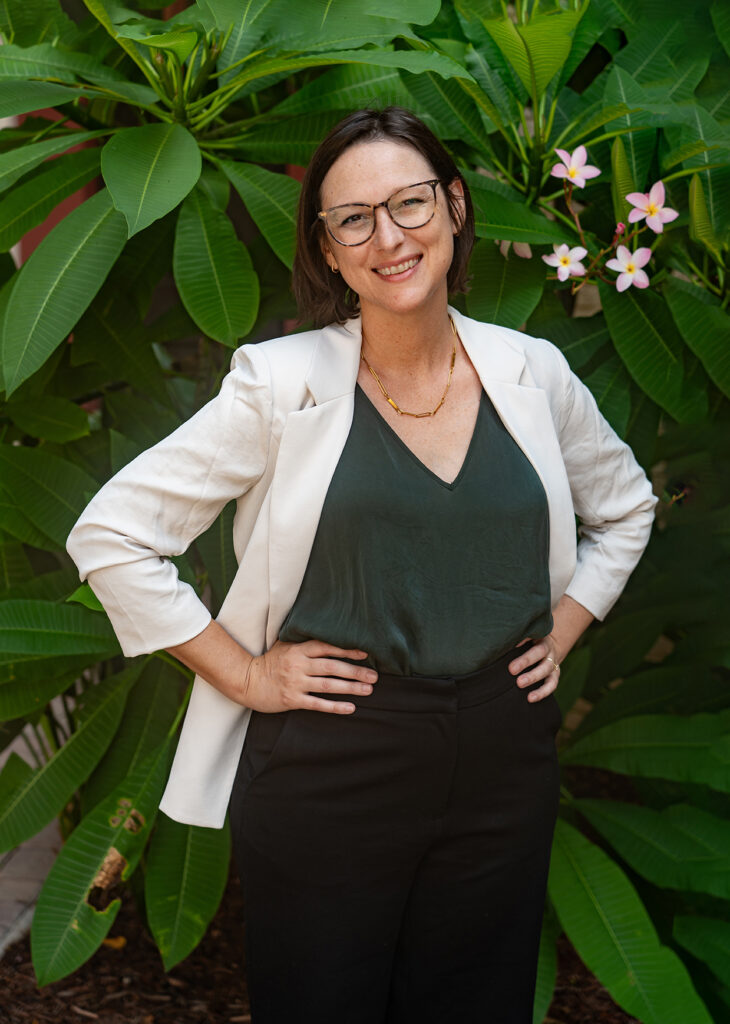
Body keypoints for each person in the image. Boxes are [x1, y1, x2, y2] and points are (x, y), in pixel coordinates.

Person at [67, 107, 657, 1024]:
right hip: (332, 756)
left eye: (410, 203)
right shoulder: (278, 384)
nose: (389, 237)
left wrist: (570, 622)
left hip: (505, 750)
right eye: (353, 219)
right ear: (329, 251)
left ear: (455, 208)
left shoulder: (533, 372)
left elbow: (626, 507)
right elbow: (113, 533)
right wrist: (246, 672)